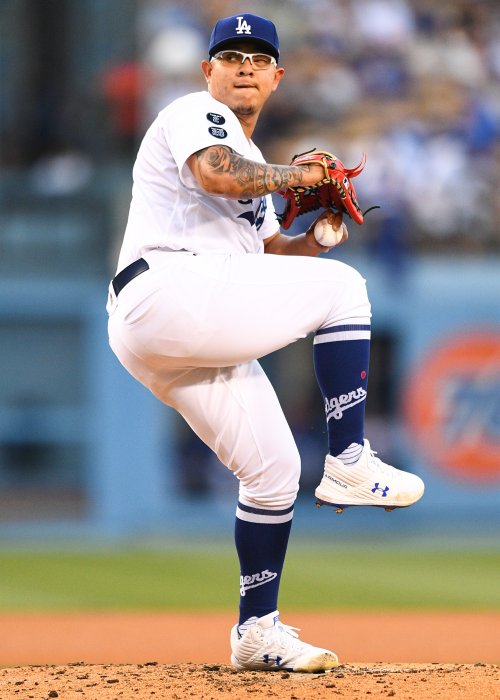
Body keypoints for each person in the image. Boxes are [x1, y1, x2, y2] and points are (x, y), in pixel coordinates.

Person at [107, 13, 424, 673]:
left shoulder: (254, 166)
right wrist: (299, 178)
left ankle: (256, 632)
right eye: (231, 56)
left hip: (176, 327)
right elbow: (217, 174)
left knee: (274, 473)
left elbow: (269, 252)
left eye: (258, 58)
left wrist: (317, 238)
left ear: (277, 76)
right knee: (346, 291)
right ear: (208, 71)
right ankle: (350, 457)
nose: (245, 66)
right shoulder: (195, 114)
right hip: (167, 286)